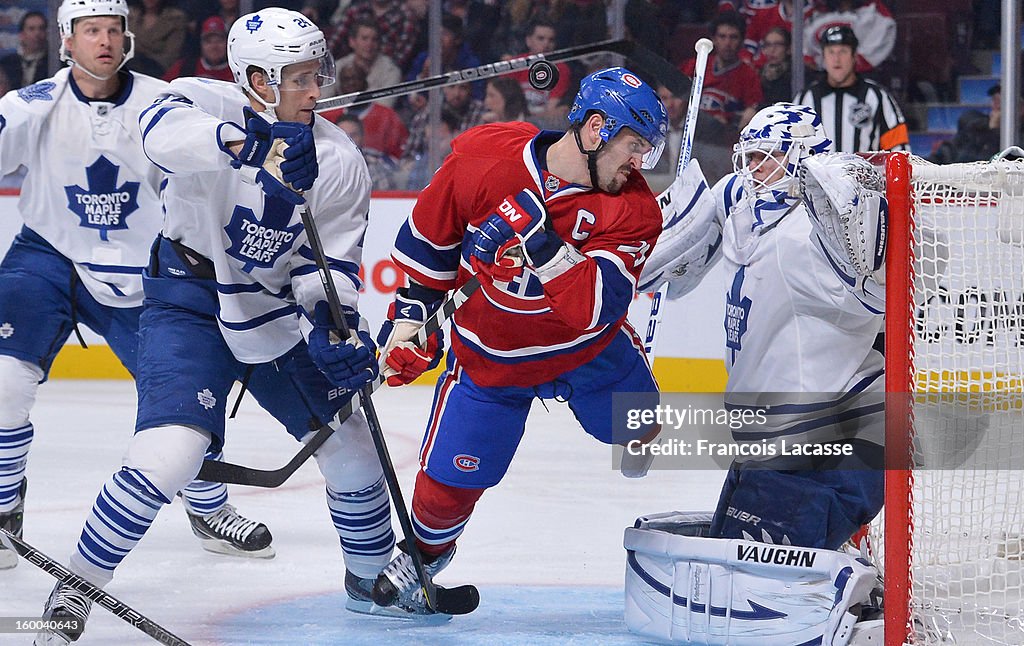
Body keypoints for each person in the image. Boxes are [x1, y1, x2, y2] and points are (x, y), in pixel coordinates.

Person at [34, 8, 427, 643]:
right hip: (187, 301)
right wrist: (248, 145)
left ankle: (372, 578)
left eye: (314, 73)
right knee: (171, 454)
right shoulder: (198, 100)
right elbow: (163, 135)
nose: (314, 89)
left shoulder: (339, 158)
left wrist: (332, 326)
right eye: (297, 77)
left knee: (351, 445)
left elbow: (327, 264)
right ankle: (75, 585)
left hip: (269, 312)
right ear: (257, 80)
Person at [368, 67, 667, 612]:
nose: (639, 162)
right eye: (633, 145)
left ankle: (638, 431)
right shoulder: (488, 156)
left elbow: (594, 311)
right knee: (447, 483)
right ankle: (425, 556)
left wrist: (541, 243)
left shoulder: (635, 208)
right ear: (596, 128)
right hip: (492, 360)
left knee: (639, 425)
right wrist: (411, 323)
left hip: (588, 355)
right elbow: (431, 243)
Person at [0, 0, 272, 574]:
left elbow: (210, 141)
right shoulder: (35, 105)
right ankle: (3, 511)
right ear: (66, 42)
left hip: (145, 268)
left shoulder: (164, 101)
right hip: (49, 255)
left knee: (183, 399)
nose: (103, 40)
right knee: (2, 381)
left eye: (113, 30)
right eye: (90, 31)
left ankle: (208, 506)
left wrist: (248, 141)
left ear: (126, 39)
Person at [628, 102, 887, 642]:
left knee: (776, 552)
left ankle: (846, 587)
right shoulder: (736, 198)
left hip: (838, 414)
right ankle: (838, 566)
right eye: (749, 157)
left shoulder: (828, 228)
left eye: (769, 159)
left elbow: (879, 296)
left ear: (804, 161)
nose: (755, 169)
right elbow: (656, 265)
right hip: (764, 422)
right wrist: (660, 224)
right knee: (743, 540)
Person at [794, 25, 908, 153]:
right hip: (814, 174)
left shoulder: (876, 96)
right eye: (831, 52)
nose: (836, 59)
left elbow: (899, 148)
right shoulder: (805, 98)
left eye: (843, 51)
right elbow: (791, 148)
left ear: (854, 56)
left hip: (865, 173)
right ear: (824, 57)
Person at [682, 11, 763, 141]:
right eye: (722, 36)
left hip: (723, 143)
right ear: (713, 39)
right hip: (688, 135)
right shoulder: (696, 64)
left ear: (742, 41)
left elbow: (751, 113)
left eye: (733, 37)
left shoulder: (749, 75)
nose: (727, 43)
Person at [504, 19, 572, 127]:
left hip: (540, 125)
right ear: (528, 41)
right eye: (541, 38)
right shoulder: (515, 65)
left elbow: (551, 111)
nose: (546, 44)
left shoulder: (560, 69)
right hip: (510, 121)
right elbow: (502, 104)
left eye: (551, 40)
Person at [326, 18, 401, 108]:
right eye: (364, 38)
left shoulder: (391, 71)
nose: (369, 44)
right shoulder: (337, 67)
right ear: (352, 42)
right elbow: (324, 102)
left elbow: (384, 107)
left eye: (374, 39)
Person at [162, 15, 233, 82]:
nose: (214, 46)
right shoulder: (184, 67)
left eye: (219, 41)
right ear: (201, 44)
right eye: (208, 41)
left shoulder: (236, 72)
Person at [0, 11, 49, 91]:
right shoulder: (6, 63)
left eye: (41, 28)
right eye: (31, 29)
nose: (37, 33)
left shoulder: (53, 64)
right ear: (21, 34)